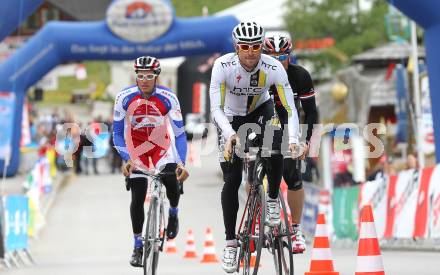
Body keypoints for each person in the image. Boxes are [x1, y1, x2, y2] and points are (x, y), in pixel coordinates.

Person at [209, 22, 301, 273]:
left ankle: (271, 199)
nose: (250, 52)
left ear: (262, 47)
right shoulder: (223, 66)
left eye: (256, 46)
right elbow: (215, 108)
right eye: (245, 46)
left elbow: (289, 106)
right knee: (232, 178)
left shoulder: (272, 67)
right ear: (236, 47)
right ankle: (230, 244)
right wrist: (229, 135)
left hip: (261, 111)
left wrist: (293, 138)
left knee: (276, 143)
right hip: (229, 118)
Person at [112, 56, 189, 267]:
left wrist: (181, 162)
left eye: (149, 76)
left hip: (162, 148)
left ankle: (173, 212)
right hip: (137, 150)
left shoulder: (168, 97)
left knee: (172, 182)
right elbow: (117, 133)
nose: (144, 80)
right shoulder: (124, 97)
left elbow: (180, 134)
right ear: (135, 76)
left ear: (157, 77)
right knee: (137, 197)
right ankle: (137, 244)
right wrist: (126, 158)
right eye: (140, 76)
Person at [262, 34, 319, 254]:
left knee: (291, 174)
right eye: (272, 56)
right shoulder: (257, 75)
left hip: (289, 125)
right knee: (252, 169)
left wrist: (305, 142)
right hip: (261, 124)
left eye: (283, 56)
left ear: (290, 55)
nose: (278, 60)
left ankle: (295, 230)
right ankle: (256, 221)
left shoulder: (300, 76)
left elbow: (311, 112)